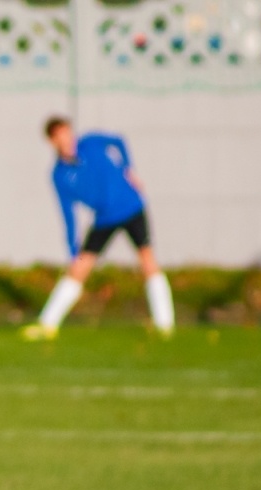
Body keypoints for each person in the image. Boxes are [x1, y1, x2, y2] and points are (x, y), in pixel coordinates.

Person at [24, 117, 174, 341]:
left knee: (147, 259)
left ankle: (164, 324)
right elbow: (68, 213)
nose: (66, 139)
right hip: (104, 219)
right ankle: (47, 325)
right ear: (52, 141)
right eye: (59, 136)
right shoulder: (59, 175)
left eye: (67, 132)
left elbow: (119, 140)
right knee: (79, 267)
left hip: (131, 207)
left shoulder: (91, 142)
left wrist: (128, 169)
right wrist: (72, 250)